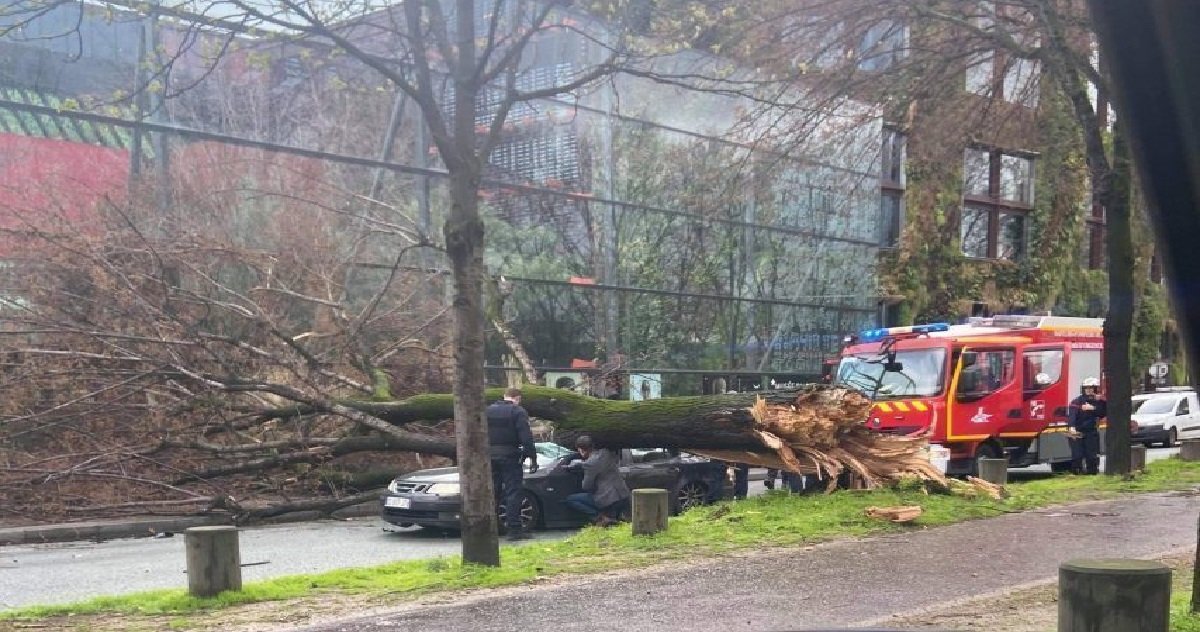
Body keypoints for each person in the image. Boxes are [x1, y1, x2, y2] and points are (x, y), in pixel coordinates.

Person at [487, 387, 538, 540]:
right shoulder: (517, 411)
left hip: (489, 455)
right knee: (513, 492)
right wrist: (532, 456)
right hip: (510, 455)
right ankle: (514, 529)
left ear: (504, 396)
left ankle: (490, 527)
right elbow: (526, 437)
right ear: (517, 398)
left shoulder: (487, 411)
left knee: (493, 492)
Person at [563, 436, 631, 527]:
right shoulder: (606, 453)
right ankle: (616, 517)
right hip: (623, 495)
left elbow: (586, 486)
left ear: (581, 450)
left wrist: (582, 467)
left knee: (571, 499)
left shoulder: (589, 464)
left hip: (608, 500)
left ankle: (601, 518)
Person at [1067, 377, 1107, 475]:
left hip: (1091, 431)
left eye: (1091, 388)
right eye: (1086, 388)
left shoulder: (1099, 402)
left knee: (1091, 455)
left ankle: (1092, 472)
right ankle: (1077, 472)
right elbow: (1072, 414)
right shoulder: (1077, 401)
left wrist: (1093, 408)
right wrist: (1071, 428)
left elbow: (1103, 413)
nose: (1088, 390)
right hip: (1077, 431)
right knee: (1077, 455)